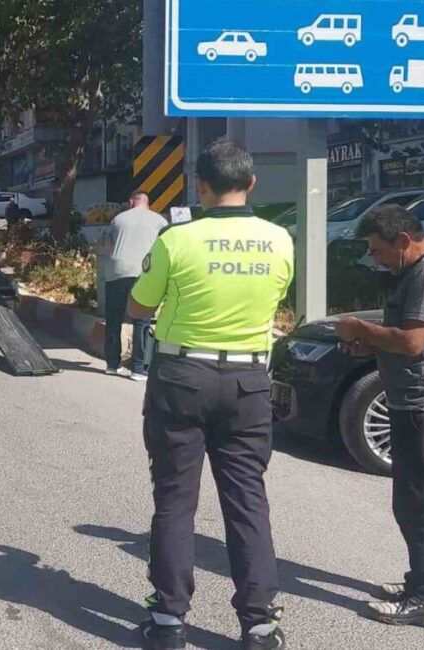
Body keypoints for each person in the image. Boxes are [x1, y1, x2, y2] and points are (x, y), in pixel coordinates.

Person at [127, 140, 294, 650]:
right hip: (248, 381)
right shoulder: (280, 240)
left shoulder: (178, 240)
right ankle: (260, 623)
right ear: (251, 184)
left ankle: (169, 621)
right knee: (247, 500)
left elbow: (138, 307)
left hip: (182, 377)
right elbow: (278, 298)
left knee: (175, 499)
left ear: (199, 185)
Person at [334, 205, 424, 630]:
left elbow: (413, 342)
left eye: (378, 250)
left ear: (404, 240)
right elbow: (415, 340)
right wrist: (373, 346)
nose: (375, 259)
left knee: (417, 500)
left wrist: (359, 328)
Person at [98, 190, 166, 380]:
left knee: (114, 319)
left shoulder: (118, 219)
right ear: (148, 203)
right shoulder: (159, 221)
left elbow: (106, 244)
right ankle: (137, 369)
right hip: (143, 274)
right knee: (141, 322)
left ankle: (112, 365)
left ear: (130, 202)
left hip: (116, 273)